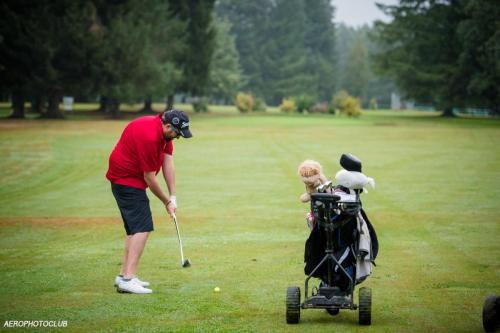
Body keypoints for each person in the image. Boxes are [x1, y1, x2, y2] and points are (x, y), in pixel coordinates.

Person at [106, 109, 192, 294]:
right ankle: (128, 279)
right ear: (168, 126)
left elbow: (167, 162)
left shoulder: (164, 135)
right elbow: (150, 178)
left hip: (129, 179)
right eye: (177, 133)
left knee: (133, 229)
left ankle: (123, 276)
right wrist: (166, 202)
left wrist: (173, 196)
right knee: (142, 227)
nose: (177, 137)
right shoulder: (150, 138)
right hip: (125, 180)